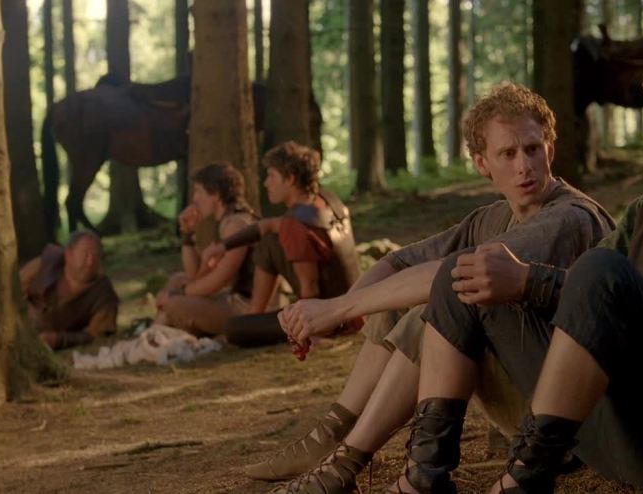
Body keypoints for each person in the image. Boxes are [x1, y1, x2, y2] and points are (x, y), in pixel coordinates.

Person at [374, 44, 643, 494]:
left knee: (599, 269)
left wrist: (530, 281)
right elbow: (587, 299)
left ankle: (526, 479)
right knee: (466, 271)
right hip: (615, 430)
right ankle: (424, 476)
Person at [256, 83, 615, 493]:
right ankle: (334, 434)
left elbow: (452, 275)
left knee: (434, 307)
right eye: (508, 154)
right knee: (404, 295)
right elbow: (399, 263)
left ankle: (348, 463)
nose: (524, 166)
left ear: (549, 150)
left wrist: (336, 309)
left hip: (574, 418)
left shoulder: (569, 217)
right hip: (530, 393)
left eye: (533, 149)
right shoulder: (492, 217)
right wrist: (345, 308)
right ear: (482, 163)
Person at [205, 141, 361, 348]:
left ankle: (253, 320)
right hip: (354, 308)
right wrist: (223, 247)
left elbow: (310, 285)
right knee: (269, 242)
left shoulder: (295, 225)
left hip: (331, 320)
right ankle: (255, 315)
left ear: (290, 179)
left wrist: (310, 334)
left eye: (271, 176)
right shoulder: (327, 200)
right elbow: (267, 226)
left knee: (234, 329)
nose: (266, 183)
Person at [156, 162, 257, 336]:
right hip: (233, 299)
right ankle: (154, 337)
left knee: (173, 304)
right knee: (178, 279)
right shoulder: (225, 222)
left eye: (198, 192)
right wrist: (187, 233)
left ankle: (151, 338)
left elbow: (217, 281)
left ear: (216, 194)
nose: (194, 199)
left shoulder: (236, 224)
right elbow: (195, 274)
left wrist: (176, 295)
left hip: (248, 306)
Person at [20, 230, 119, 350]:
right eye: (85, 254)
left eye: (96, 255)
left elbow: (98, 335)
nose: (90, 262)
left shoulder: (104, 293)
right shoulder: (45, 264)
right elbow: (12, 290)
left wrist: (59, 339)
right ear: (68, 254)